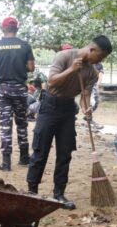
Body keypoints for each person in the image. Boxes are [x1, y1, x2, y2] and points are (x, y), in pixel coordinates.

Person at [26, 36, 112, 209]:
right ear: (92, 50)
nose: (99, 61)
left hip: (67, 110)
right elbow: (51, 81)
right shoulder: (64, 56)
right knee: (40, 150)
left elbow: (85, 96)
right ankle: (32, 193)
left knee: (65, 154)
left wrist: (87, 109)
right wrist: (71, 70)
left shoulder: (92, 73)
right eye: (100, 57)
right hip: (49, 106)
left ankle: (59, 194)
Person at [0, 17, 35, 171]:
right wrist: (20, 66)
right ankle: (24, 157)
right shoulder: (25, 45)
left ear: (3, 29)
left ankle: (6, 162)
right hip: (20, 90)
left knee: (5, 126)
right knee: (21, 123)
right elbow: (31, 67)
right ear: (17, 29)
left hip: (3, 90)